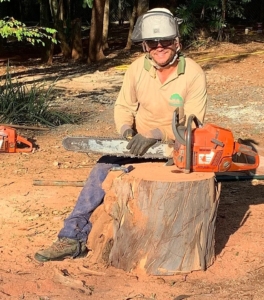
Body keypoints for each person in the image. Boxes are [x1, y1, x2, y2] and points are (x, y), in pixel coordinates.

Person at [34, 7, 208, 262]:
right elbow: (123, 107)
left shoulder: (193, 73)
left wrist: (158, 134)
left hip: (176, 147)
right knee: (102, 168)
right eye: (153, 42)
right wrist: (127, 130)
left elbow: (194, 123)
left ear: (177, 42)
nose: (160, 47)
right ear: (145, 46)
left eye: (166, 41)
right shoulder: (137, 69)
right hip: (138, 143)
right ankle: (72, 237)